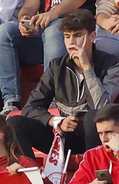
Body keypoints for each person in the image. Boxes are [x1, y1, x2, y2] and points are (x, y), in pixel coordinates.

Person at [11, 10, 119, 156]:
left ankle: (96, 167)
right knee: (15, 123)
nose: (71, 42)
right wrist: (56, 121)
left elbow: (102, 108)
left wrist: (87, 69)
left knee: (92, 116)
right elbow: (30, 108)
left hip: (102, 137)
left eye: (78, 35)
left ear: (92, 36)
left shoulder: (112, 64)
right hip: (66, 136)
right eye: (67, 36)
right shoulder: (57, 66)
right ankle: (30, 169)